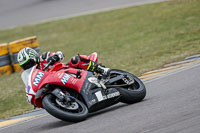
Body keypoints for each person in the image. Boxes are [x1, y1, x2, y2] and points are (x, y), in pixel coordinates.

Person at [17, 47, 110, 76]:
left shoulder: (44, 57)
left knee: (75, 60)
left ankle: (101, 70)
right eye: (25, 66)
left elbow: (60, 54)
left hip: (66, 72)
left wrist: (55, 57)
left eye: (28, 64)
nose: (28, 67)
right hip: (57, 83)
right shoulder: (33, 76)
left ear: (34, 58)